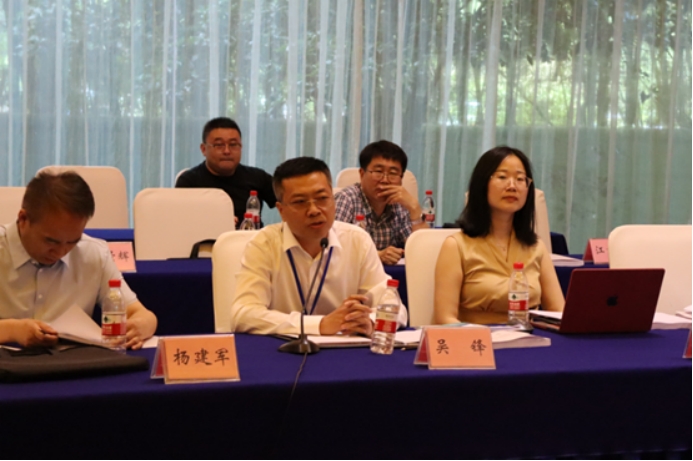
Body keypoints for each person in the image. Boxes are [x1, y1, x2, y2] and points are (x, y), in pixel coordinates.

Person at [230, 157, 408, 336]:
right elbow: (243, 314)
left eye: (322, 198)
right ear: (281, 210)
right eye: (300, 202)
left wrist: (370, 322)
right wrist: (320, 325)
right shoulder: (264, 244)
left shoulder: (357, 240)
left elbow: (395, 307)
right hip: (282, 349)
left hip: (344, 348)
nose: (314, 210)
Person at [0, 171, 157, 349]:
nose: (61, 252)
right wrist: (12, 330)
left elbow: (142, 314)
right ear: (23, 219)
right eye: (51, 241)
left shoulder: (94, 254)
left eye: (72, 242)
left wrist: (141, 325)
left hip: (70, 361)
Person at [434, 146, 564, 324]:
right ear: (482, 184)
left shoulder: (536, 246)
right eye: (502, 177)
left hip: (527, 337)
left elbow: (559, 312)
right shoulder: (456, 246)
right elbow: (444, 318)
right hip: (477, 338)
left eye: (520, 179)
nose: (512, 186)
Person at [335, 140, 427, 265]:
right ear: (362, 174)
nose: (385, 180)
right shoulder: (346, 199)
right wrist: (376, 255)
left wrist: (414, 207)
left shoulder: (400, 204)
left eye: (393, 173)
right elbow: (332, 249)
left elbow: (423, 252)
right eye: (378, 172)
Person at [175, 117, 276, 227]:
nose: (227, 151)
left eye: (233, 145)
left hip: (251, 237)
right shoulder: (189, 182)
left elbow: (285, 202)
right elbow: (180, 222)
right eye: (219, 145)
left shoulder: (258, 177)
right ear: (204, 149)